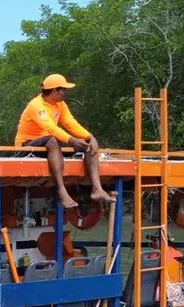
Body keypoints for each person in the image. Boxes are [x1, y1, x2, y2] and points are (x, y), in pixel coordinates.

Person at [14, 73, 114, 209]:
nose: (65, 93)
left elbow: (70, 123)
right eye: (63, 90)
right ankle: (61, 190)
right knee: (53, 140)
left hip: (50, 143)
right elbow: (51, 128)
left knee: (87, 145)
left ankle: (97, 189)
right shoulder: (36, 105)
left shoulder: (60, 105)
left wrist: (89, 137)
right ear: (54, 91)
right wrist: (72, 140)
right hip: (28, 146)